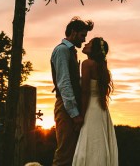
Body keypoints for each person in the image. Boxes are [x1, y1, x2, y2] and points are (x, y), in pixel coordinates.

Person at [51, 17, 94, 166]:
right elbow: (64, 83)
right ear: (74, 33)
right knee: (65, 153)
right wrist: (74, 114)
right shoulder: (62, 50)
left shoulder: (70, 51)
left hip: (70, 106)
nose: (83, 40)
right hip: (65, 107)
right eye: (82, 35)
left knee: (73, 152)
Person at [72, 37, 118, 166]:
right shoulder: (103, 68)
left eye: (90, 43)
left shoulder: (87, 64)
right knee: (100, 145)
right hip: (102, 111)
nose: (86, 44)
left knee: (89, 146)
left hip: (91, 110)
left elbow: (85, 91)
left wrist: (80, 115)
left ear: (94, 49)